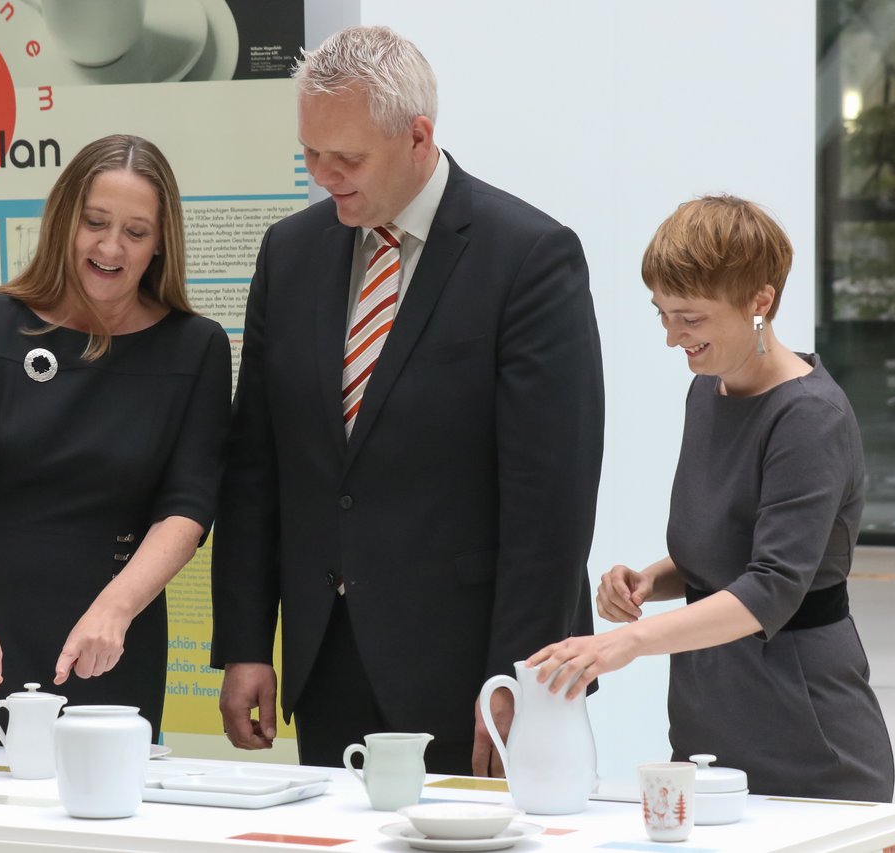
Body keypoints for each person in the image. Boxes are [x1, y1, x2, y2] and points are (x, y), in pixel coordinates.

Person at [210, 25, 605, 777]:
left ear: (419, 136)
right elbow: (256, 465)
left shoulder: (528, 257)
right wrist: (246, 643)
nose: (324, 176)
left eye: (347, 158)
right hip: (328, 660)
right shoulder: (288, 253)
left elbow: (550, 499)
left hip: (473, 670)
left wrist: (515, 679)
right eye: (311, 154)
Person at [529, 195, 895, 802]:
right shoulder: (710, 392)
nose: (673, 338)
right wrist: (651, 581)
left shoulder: (809, 417)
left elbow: (773, 583)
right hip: (710, 699)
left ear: (760, 302)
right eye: (663, 314)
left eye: (690, 319)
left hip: (801, 713)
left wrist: (629, 641)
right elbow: (730, 548)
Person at [0, 134, 232, 744]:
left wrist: (117, 609)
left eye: (135, 231)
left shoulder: (196, 348)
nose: (110, 247)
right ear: (63, 222)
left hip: (102, 636)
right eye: (95, 223)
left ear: (160, 244)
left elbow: (188, 505)